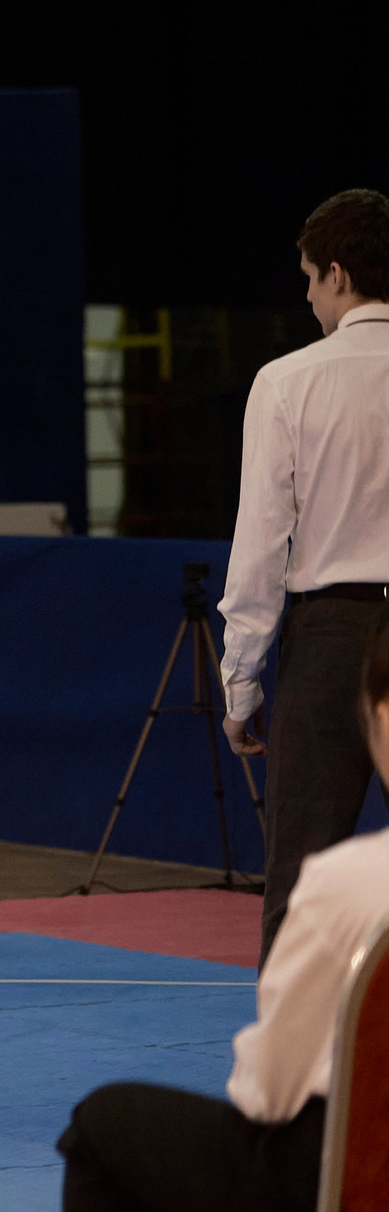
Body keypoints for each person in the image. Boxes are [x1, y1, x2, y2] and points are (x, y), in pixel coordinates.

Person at [57, 609, 389, 1212]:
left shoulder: (349, 885)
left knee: (99, 1133)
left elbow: (268, 1091)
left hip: (355, 1204)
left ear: (382, 719)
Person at [218, 188, 389, 964]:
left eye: (311, 279)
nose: (310, 297)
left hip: (332, 640)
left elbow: (261, 545)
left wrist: (240, 684)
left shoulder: (288, 381)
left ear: (339, 274)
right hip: (340, 631)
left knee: (302, 881)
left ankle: (293, 1047)